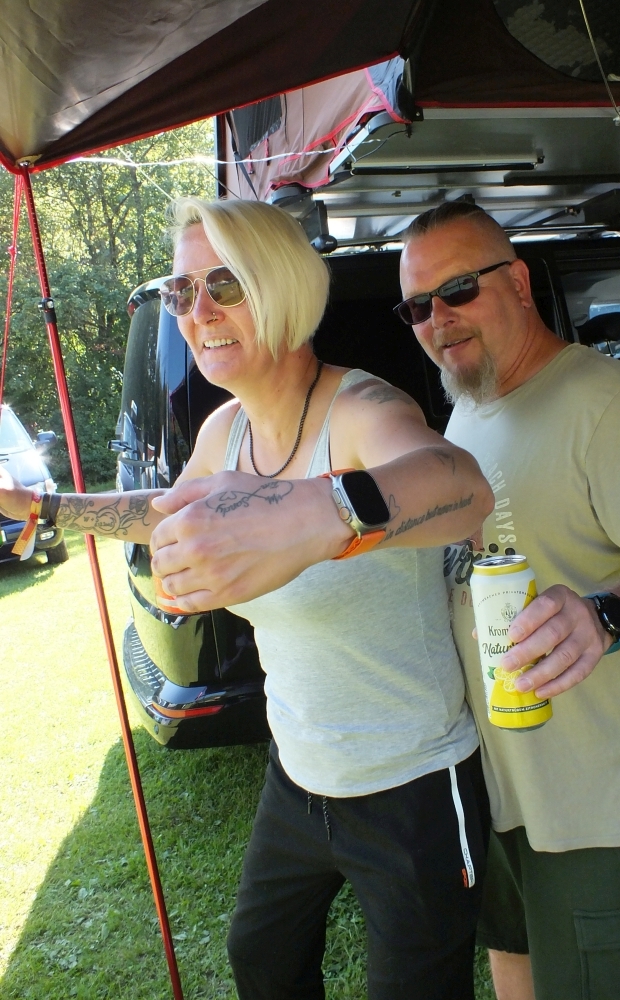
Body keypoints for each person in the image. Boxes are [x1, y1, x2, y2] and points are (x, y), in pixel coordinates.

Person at [0, 197, 496, 1000]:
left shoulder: (362, 411)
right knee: (262, 961)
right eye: (181, 291)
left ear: (285, 288)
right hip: (298, 774)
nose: (197, 313)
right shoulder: (223, 430)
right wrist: (45, 507)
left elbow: (461, 487)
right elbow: (165, 509)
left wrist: (318, 514)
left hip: (411, 784)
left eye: (223, 285)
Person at [395, 200, 620, 1000]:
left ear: (517, 282)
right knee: (514, 964)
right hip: (500, 787)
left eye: (458, 290)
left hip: (593, 808)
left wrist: (605, 616)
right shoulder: (471, 405)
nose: (438, 319)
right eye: (417, 307)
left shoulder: (609, 407)